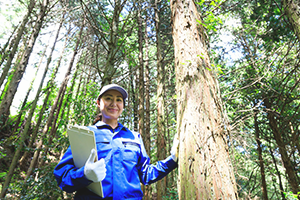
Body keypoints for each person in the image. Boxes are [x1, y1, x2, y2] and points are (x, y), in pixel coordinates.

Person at [53, 83, 179, 200]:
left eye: (119, 100)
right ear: (99, 103)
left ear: (123, 105)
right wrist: (84, 174)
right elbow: (62, 176)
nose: (114, 103)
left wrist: (172, 160)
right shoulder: (84, 134)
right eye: (108, 98)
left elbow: (146, 174)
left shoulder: (134, 137)